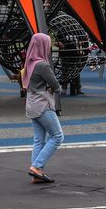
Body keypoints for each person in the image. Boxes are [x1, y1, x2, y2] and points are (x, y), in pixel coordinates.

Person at [22, 33, 63, 183]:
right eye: (48, 44)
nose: (49, 47)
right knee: (58, 136)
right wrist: (56, 89)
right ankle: (36, 167)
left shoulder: (30, 62)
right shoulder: (42, 65)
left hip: (31, 103)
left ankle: (36, 174)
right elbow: (56, 86)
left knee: (39, 139)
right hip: (43, 104)